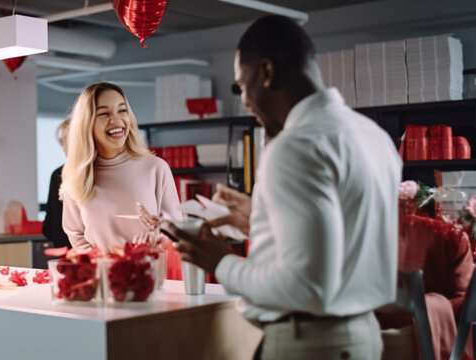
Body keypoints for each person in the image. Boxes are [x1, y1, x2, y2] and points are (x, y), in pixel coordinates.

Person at [168, 15, 401, 360]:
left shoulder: (295, 146)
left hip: (311, 343)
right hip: (363, 337)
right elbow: (344, 238)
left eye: (242, 85)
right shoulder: (372, 135)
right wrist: (261, 220)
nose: (245, 100)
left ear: (266, 71)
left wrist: (221, 262)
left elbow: (307, 288)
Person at [60, 82, 182, 252]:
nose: (116, 120)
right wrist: (107, 267)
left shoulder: (156, 168)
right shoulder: (76, 177)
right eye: (104, 113)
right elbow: (75, 234)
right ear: (86, 124)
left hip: (151, 273)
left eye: (122, 110)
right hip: (103, 275)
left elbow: (178, 233)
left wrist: (159, 234)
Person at [41, 118, 72, 249]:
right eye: (62, 141)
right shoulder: (58, 175)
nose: (64, 146)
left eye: (68, 140)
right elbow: (51, 225)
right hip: (69, 254)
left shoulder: (59, 174)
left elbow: (48, 228)